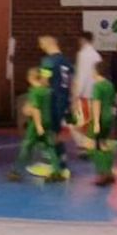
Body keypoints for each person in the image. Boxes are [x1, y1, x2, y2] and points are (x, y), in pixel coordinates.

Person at [11, 66, 68, 183]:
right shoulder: (48, 91)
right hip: (48, 122)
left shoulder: (35, 92)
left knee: (26, 146)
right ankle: (57, 171)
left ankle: (16, 170)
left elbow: (35, 109)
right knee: (50, 146)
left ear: (30, 78)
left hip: (36, 124)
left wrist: (38, 126)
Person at [39, 34, 73, 165]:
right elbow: (72, 82)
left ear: (49, 44)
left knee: (49, 129)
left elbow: (44, 81)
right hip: (64, 98)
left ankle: (51, 159)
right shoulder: (66, 61)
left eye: (42, 44)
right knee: (57, 129)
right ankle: (61, 156)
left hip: (52, 99)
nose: (41, 47)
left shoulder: (48, 61)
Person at [84, 65, 117, 187]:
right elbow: (113, 102)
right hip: (108, 117)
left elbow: (96, 104)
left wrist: (96, 122)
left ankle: (102, 173)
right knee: (103, 145)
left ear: (97, 71)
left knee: (89, 145)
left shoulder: (97, 86)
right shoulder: (110, 85)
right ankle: (109, 173)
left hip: (100, 118)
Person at [72, 31, 101, 132]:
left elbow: (81, 75)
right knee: (93, 120)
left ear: (82, 40)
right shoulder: (97, 55)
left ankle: (86, 139)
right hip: (96, 92)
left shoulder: (82, 54)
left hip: (85, 93)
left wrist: (76, 94)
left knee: (83, 122)